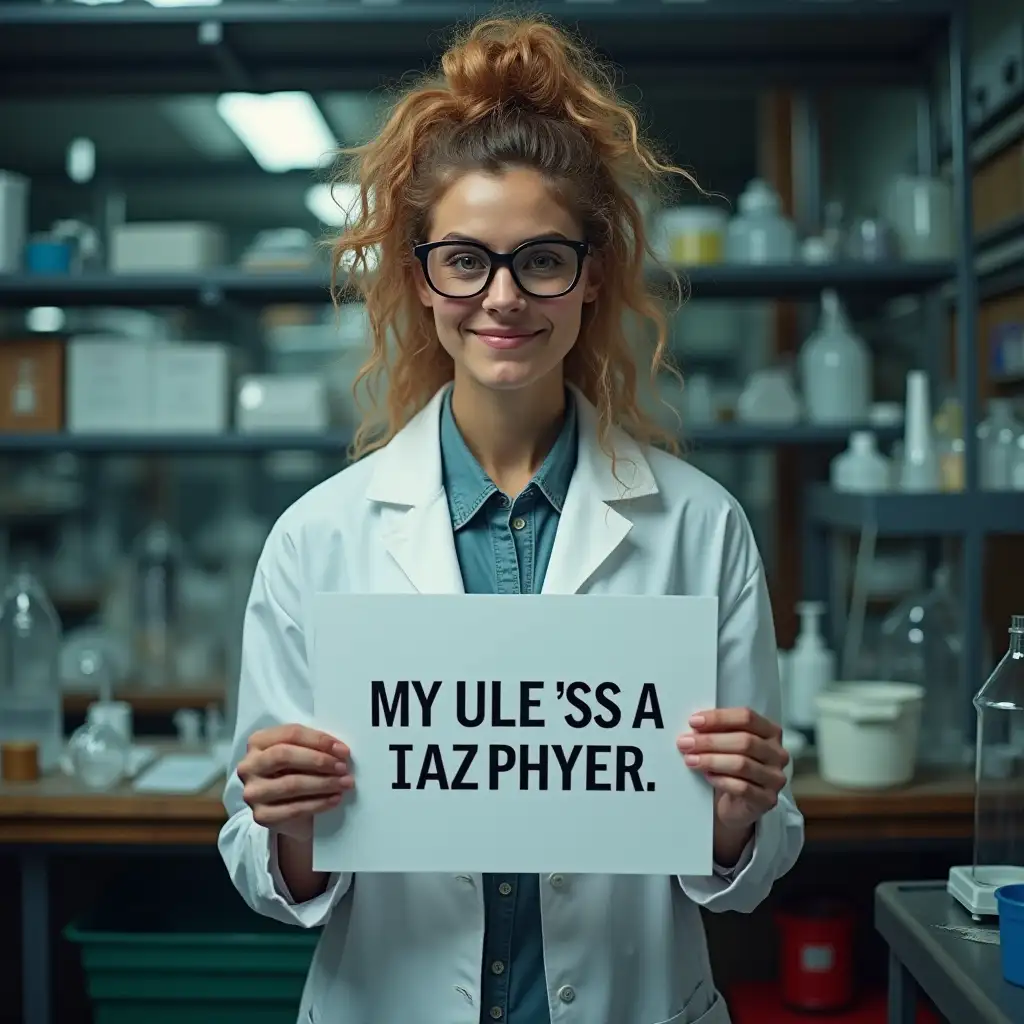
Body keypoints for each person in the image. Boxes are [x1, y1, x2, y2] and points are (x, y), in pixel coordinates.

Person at [219, 14, 804, 1024]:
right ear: (417, 276)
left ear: (590, 276)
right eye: (464, 259)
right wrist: (287, 821)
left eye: (541, 259)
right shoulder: (318, 539)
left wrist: (737, 817)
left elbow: (749, 865)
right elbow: (260, 864)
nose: (501, 298)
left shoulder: (698, 528)